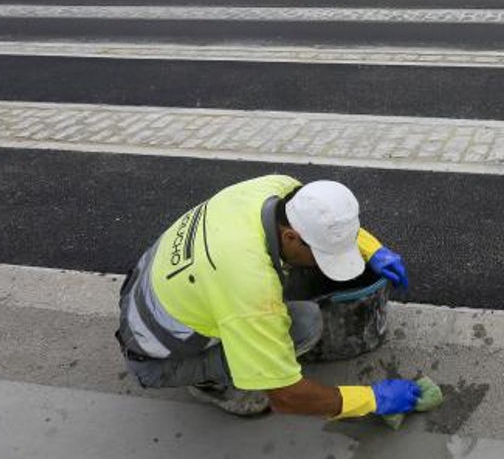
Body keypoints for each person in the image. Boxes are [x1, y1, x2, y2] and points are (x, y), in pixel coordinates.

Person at [115, 176, 419, 418]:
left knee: (275, 291)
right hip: (153, 357)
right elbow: (287, 397)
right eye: (323, 256)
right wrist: (372, 400)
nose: (323, 265)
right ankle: (211, 385)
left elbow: (324, 219)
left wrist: (372, 248)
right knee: (304, 326)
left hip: (147, 287)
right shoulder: (249, 287)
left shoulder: (276, 188)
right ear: (290, 237)